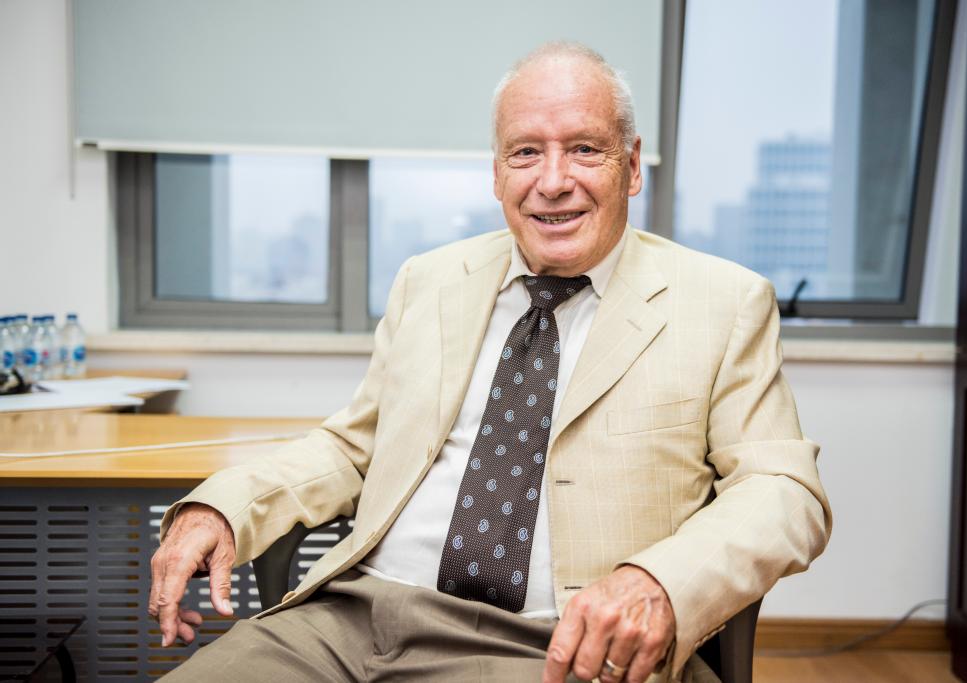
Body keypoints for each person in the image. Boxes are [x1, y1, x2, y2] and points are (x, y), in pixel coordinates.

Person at [150, 42, 831, 683]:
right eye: (526, 152)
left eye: (584, 149)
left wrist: (658, 581)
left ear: (631, 165)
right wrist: (222, 505)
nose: (553, 182)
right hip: (351, 618)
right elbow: (354, 448)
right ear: (497, 172)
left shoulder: (723, 302)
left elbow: (784, 491)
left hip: (554, 644)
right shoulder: (430, 280)